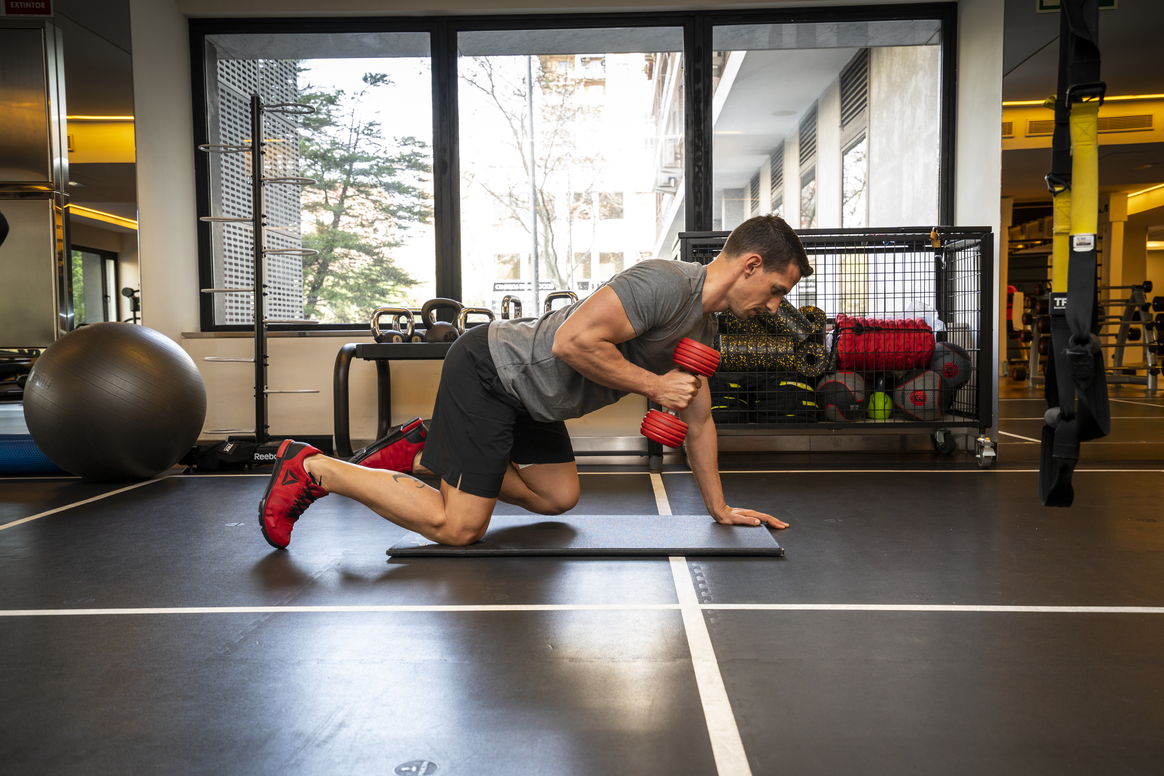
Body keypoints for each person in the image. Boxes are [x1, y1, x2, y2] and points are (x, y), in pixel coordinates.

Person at [258, 214, 813, 549]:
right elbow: (571, 342)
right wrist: (651, 385)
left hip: (536, 404)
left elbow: (698, 420)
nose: (773, 305)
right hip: (493, 371)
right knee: (460, 529)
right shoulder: (665, 284)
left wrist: (719, 509)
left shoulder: (705, 331)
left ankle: (432, 446)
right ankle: (316, 467)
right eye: (776, 289)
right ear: (750, 264)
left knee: (557, 497)